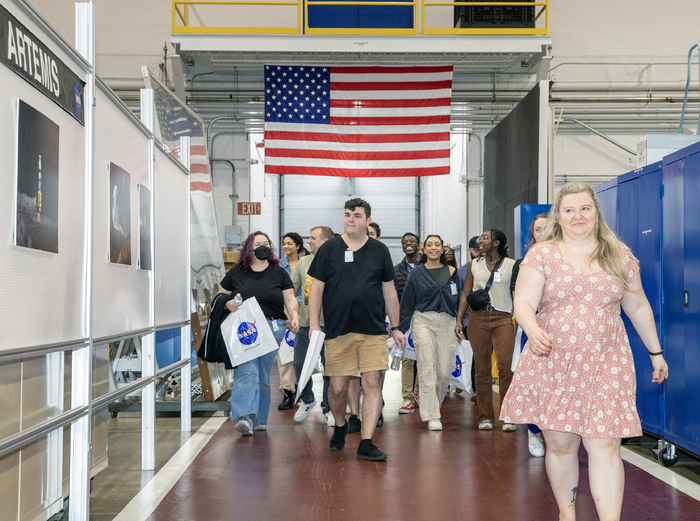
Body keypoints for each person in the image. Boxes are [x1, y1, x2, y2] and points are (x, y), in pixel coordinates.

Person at [500, 182, 668, 521]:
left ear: (596, 213)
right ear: (558, 218)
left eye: (585, 209)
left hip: (607, 361)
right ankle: (568, 513)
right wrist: (532, 329)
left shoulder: (619, 254)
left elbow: (636, 305)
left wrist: (656, 352)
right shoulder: (542, 255)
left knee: (605, 445)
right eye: (570, 210)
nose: (578, 215)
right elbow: (523, 302)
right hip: (554, 361)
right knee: (561, 446)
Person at [308, 198, 405, 461]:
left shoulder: (379, 250)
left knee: (372, 384)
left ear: (368, 220)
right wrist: (315, 323)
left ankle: (366, 441)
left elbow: (389, 290)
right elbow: (316, 288)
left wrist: (395, 326)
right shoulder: (329, 249)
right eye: (348, 214)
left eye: (357, 215)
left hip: (373, 329)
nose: (351, 219)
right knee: (337, 388)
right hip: (338, 329)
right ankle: (341, 424)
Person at [218, 231, 300, 436]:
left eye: (266, 243)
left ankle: (259, 418)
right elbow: (220, 294)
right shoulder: (237, 272)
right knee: (248, 371)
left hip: (274, 329)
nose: (263, 246)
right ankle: (244, 416)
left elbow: (290, 298)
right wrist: (228, 303)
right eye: (258, 243)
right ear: (249, 248)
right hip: (245, 329)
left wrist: (294, 314)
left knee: (262, 375)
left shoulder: (279, 273)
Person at [455, 229, 516, 431]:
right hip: (478, 319)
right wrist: (458, 321)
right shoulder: (474, 265)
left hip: (503, 318)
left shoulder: (512, 265)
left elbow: (518, 292)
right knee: (481, 371)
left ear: (496, 242)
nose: (480, 242)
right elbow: (465, 294)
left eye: (484, 239)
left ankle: (508, 416)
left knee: (505, 367)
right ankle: (485, 417)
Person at [399, 235, 459, 430]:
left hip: (447, 322)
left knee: (444, 371)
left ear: (443, 249)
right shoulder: (416, 274)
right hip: (423, 320)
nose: (434, 248)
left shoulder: (452, 271)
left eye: (438, 245)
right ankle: (432, 415)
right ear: (424, 249)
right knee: (426, 368)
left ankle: (435, 406)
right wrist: (399, 329)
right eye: (430, 245)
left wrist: (460, 323)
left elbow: (457, 300)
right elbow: (407, 302)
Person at [510, 213, 550, 457]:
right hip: (533, 330)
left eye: (548, 228)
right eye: (538, 229)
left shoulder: (572, 258)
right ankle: (534, 431)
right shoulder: (524, 263)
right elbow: (520, 300)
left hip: (567, 334)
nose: (543, 233)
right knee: (535, 385)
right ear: (532, 234)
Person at [291, 226, 334, 424]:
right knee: (300, 364)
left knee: (330, 368)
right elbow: (291, 292)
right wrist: (291, 314)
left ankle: (328, 406)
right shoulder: (303, 262)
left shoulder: (336, 262)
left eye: (312, 238)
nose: (308, 242)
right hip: (306, 325)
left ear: (325, 241)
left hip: (331, 325)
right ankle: (308, 400)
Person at [277, 232, 307, 410]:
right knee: (285, 354)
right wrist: (287, 316)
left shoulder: (307, 262)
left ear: (298, 246)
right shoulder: (278, 266)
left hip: (307, 313)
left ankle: (303, 390)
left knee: (303, 355)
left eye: (289, 243)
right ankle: (288, 392)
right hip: (285, 313)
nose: (286, 246)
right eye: (284, 243)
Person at [394, 232, 421, 414]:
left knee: (424, 358)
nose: (408, 244)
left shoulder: (427, 266)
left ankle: (419, 394)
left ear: (419, 245)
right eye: (405, 242)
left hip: (425, 317)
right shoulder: (396, 270)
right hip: (405, 320)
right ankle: (407, 398)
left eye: (412, 241)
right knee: (407, 359)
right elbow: (393, 297)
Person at [455, 236, 481, 398]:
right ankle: (470, 386)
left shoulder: (491, 268)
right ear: (469, 250)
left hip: (486, 319)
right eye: (476, 249)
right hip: (467, 321)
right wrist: (458, 321)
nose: (479, 253)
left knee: (480, 357)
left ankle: (477, 389)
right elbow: (459, 297)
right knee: (469, 355)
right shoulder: (462, 272)